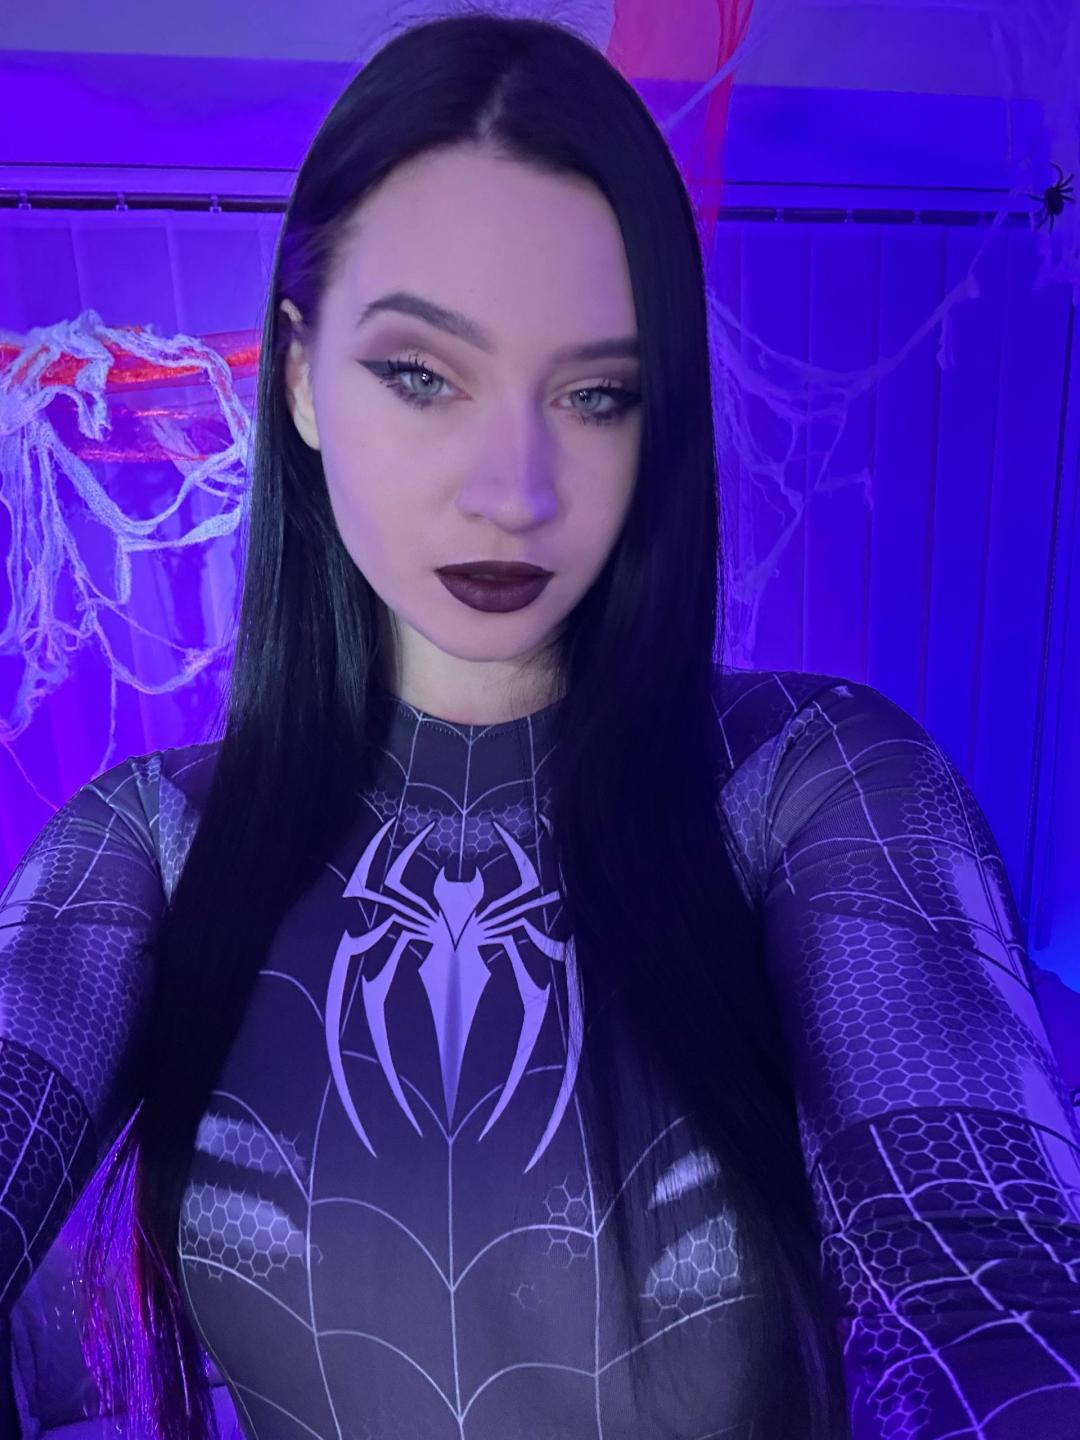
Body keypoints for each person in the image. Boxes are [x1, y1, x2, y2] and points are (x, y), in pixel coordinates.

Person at [2, 11, 1078, 1440]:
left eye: (596, 394)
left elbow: (981, 1261)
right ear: (302, 378)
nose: (514, 488)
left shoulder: (814, 783)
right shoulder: (147, 842)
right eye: (421, 374)